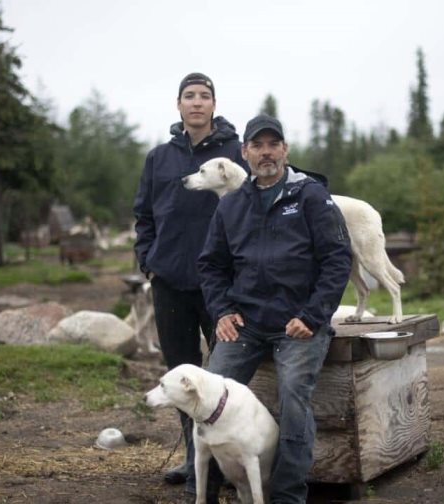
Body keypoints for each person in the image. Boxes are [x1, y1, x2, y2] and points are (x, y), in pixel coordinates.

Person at [197, 114, 353, 503]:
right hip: (245, 324)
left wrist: (313, 316)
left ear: (285, 149)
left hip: (298, 323)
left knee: (293, 396)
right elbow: (211, 265)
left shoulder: (312, 196)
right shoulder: (232, 205)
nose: (266, 153)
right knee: (207, 393)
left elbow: (337, 259)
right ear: (244, 152)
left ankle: (286, 495)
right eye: (258, 146)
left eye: (273, 144)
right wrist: (222, 311)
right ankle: (201, 490)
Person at [132, 72, 247, 493]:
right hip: (171, 281)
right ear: (178, 105)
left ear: (214, 105)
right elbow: (143, 215)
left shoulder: (236, 152)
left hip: (222, 285)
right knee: (181, 372)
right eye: (189, 96)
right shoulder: (159, 158)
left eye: (204, 96)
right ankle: (193, 458)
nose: (197, 102)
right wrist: (149, 263)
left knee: (227, 374)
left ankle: (231, 462)